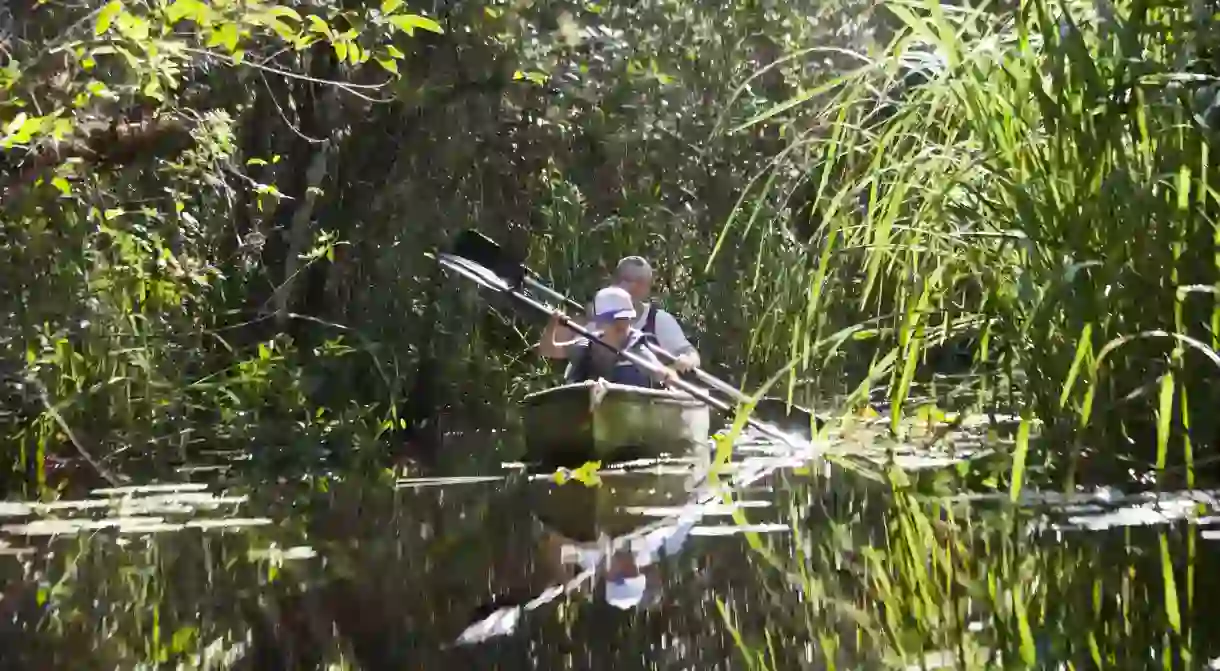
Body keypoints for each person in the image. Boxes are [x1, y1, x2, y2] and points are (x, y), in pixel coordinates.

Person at [538, 286, 678, 388]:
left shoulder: (635, 346)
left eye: (626, 320)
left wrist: (667, 376)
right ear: (600, 324)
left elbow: (659, 370)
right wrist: (552, 325)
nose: (624, 328)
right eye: (617, 323)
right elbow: (547, 350)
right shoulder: (587, 346)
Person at [608, 256, 701, 372]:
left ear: (647, 287)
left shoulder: (659, 320)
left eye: (639, 282)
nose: (631, 287)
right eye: (626, 280)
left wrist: (687, 360)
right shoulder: (599, 319)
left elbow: (690, 354)